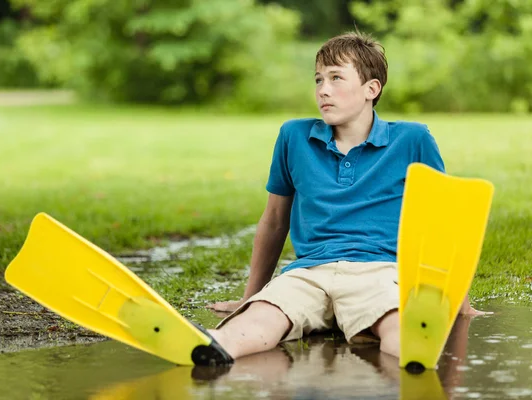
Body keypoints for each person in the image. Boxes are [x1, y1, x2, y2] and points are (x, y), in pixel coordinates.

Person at [206, 31, 488, 362]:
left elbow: (442, 223)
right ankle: (213, 345)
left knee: (399, 326)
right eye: (318, 79)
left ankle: (415, 365)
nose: (323, 89)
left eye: (336, 78)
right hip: (308, 272)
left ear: (372, 89)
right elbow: (274, 221)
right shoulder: (293, 137)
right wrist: (250, 296)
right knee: (260, 318)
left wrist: (460, 302)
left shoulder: (412, 139)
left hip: (380, 271)